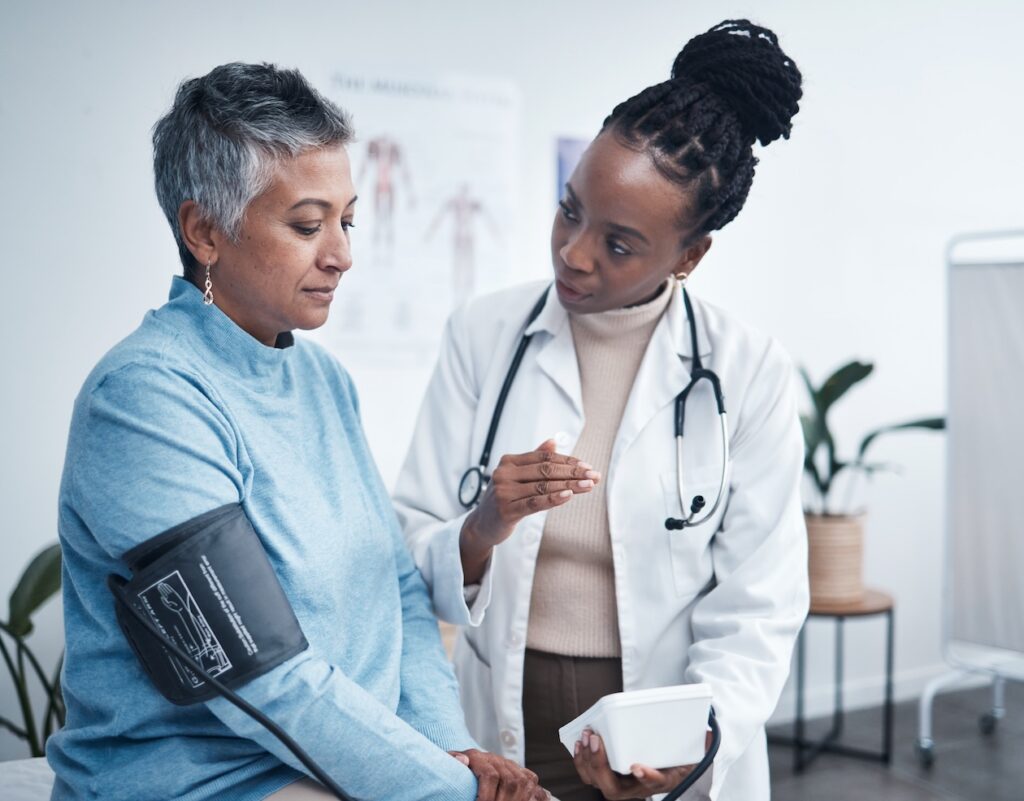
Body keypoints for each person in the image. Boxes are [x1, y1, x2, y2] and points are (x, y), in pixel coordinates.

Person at [47, 62, 544, 801]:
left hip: (345, 770)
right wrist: (450, 789)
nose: (342, 253)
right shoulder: (144, 398)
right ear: (204, 231)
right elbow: (262, 673)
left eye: (347, 221)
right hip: (206, 781)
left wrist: (452, 746)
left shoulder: (323, 381)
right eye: (308, 225)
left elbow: (397, 593)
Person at [394, 20, 809, 801]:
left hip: (656, 744)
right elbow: (407, 540)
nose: (574, 253)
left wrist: (690, 751)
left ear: (688, 257)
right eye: (569, 209)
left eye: (618, 243)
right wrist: (482, 527)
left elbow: (759, 604)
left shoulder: (746, 370)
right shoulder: (484, 334)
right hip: (501, 734)